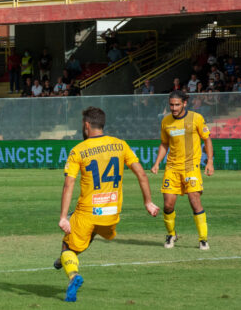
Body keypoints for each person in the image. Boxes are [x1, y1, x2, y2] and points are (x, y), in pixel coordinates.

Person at [56, 106, 159, 302]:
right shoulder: (120, 145)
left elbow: (68, 183)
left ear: (86, 125)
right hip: (112, 213)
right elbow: (142, 174)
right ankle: (67, 260)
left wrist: (63, 217)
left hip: (88, 212)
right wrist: (148, 202)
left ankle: (72, 274)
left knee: (66, 245)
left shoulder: (79, 150)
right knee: (90, 232)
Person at [151, 90, 213, 250]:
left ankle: (203, 239)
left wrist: (210, 162)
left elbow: (207, 139)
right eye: (171, 104)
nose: (173, 107)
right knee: (168, 205)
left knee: (194, 201)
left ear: (185, 103)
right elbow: (164, 143)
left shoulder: (196, 118)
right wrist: (157, 162)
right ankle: (171, 234)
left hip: (191, 167)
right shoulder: (166, 121)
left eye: (177, 104)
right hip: (172, 168)